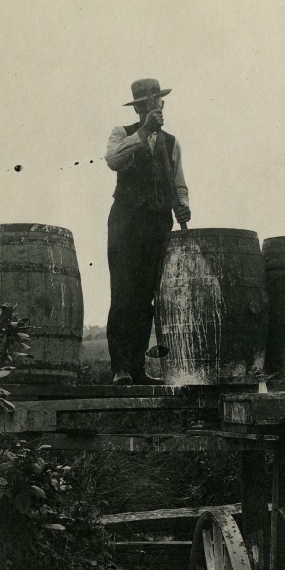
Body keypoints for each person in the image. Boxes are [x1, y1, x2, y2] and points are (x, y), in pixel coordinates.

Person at [104, 78, 191, 386]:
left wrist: (183, 206)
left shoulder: (171, 142)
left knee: (147, 297)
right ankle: (121, 368)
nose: (157, 107)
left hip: (158, 224)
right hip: (126, 223)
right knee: (124, 293)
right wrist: (143, 132)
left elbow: (179, 184)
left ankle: (138, 369)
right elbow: (113, 161)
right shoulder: (123, 134)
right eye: (150, 103)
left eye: (159, 101)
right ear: (140, 108)